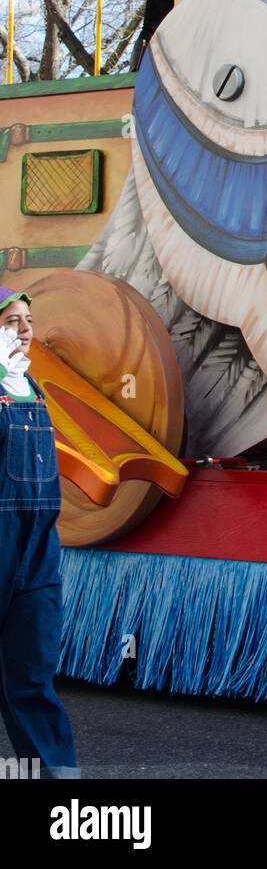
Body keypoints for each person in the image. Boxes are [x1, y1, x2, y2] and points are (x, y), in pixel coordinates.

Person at [0, 289, 79, 778]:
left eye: (28, 319)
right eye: (12, 320)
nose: (26, 329)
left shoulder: (30, 387)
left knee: (31, 677)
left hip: (36, 553)